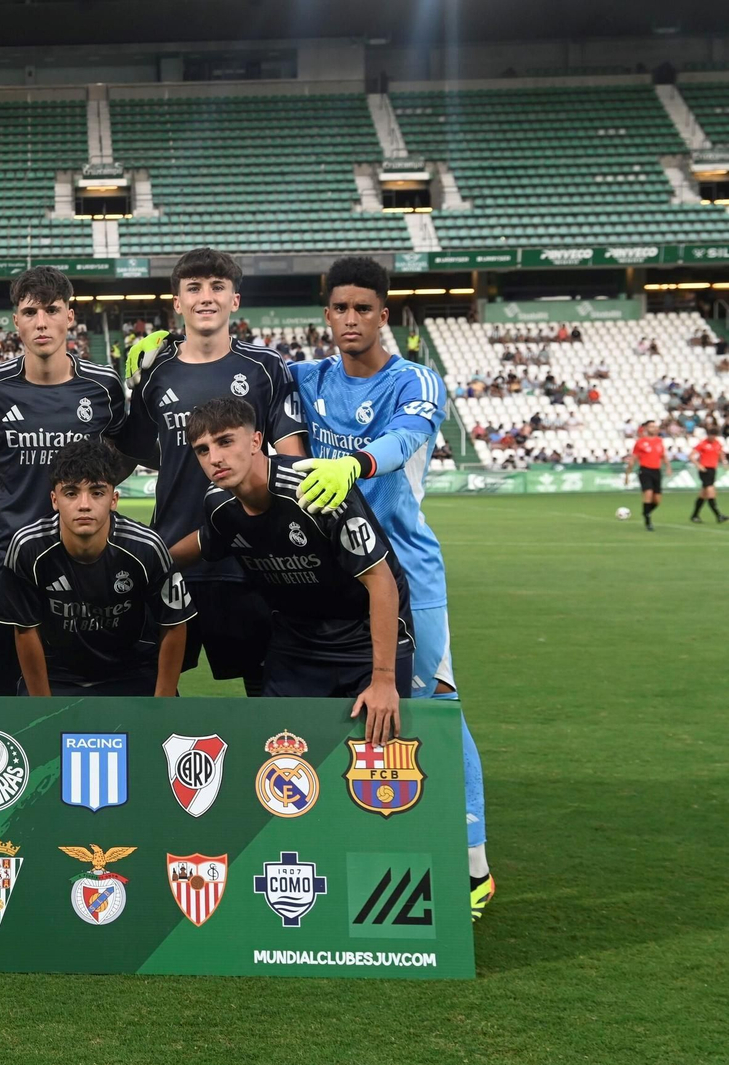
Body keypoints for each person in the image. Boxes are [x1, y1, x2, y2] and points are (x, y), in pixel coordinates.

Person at [285, 256, 492, 920]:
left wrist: (354, 461)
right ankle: (355, 838)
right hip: (330, 573)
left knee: (433, 702)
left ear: (384, 314)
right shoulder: (307, 378)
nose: (350, 319)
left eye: (363, 308)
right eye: (339, 308)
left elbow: (406, 440)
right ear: (327, 316)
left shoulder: (415, 379)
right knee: (343, 704)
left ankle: (473, 862)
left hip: (405, 568)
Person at [118, 248, 307, 698]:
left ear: (234, 301)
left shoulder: (265, 368)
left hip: (253, 560)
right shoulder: (154, 370)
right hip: (173, 554)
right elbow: (134, 453)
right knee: (149, 685)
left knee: (267, 690)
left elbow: (292, 459)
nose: (207, 297)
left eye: (217, 287)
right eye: (194, 288)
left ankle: (269, 768)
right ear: (177, 304)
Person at [170, 398, 410, 738]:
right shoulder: (218, 503)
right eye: (202, 450)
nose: (215, 459)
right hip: (296, 643)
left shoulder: (314, 490)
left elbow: (381, 581)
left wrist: (384, 679)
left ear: (255, 441)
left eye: (225, 441)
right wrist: (154, 560)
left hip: (364, 641)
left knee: (371, 770)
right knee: (280, 758)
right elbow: (207, 540)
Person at [0, 266, 131, 695]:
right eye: (30, 311)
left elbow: (123, 453)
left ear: (69, 316)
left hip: (89, 567)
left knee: (88, 691)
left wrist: (101, 489)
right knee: (4, 701)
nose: (41, 322)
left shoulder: (103, 386)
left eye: (52, 310)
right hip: (9, 565)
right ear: (15, 320)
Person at [0, 437, 194, 697]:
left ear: (114, 499)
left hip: (133, 671)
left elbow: (174, 624)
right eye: (71, 493)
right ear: (54, 500)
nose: (84, 505)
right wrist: (41, 705)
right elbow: (25, 630)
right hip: (58, 674)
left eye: (97, 492)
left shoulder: (146, 547)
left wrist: (164, 700)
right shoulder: (27, 548)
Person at [623, 420, 668, 531]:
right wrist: (627, 474)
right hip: (645, 471)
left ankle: (646, 512)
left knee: (657, 500)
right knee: (648, 493)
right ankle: (648, 521)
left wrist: (668, 467)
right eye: (651, 426)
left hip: (656, 471)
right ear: (646, 429)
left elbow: (663, 456)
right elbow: (633, 459)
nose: (654, 428)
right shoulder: (640, 442)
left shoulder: (659, 441)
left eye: (655, 426)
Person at [690, 433, 726, 523]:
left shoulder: (717, 443)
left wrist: (724, 461)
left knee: (703, 494)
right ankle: (718, 515)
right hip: (704, 470)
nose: (712, 437)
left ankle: (694, 515)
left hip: (712, 470)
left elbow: (721, 452)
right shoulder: (703, 444)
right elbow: (691, 456)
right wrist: (699, 465)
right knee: (711, 492)